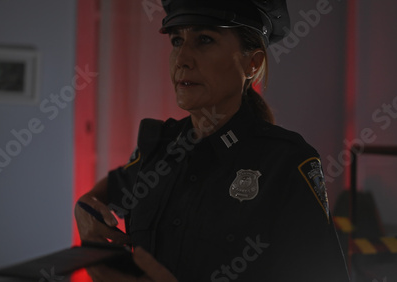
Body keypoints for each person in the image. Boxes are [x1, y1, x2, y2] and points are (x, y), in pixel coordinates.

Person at [75, 0, 351, 281]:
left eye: (204, 40)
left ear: (252, 63)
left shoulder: (286, 164)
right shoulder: (160, 148)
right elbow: (112, 190)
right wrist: (84, 207)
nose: (182, 58)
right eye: (176, 41)